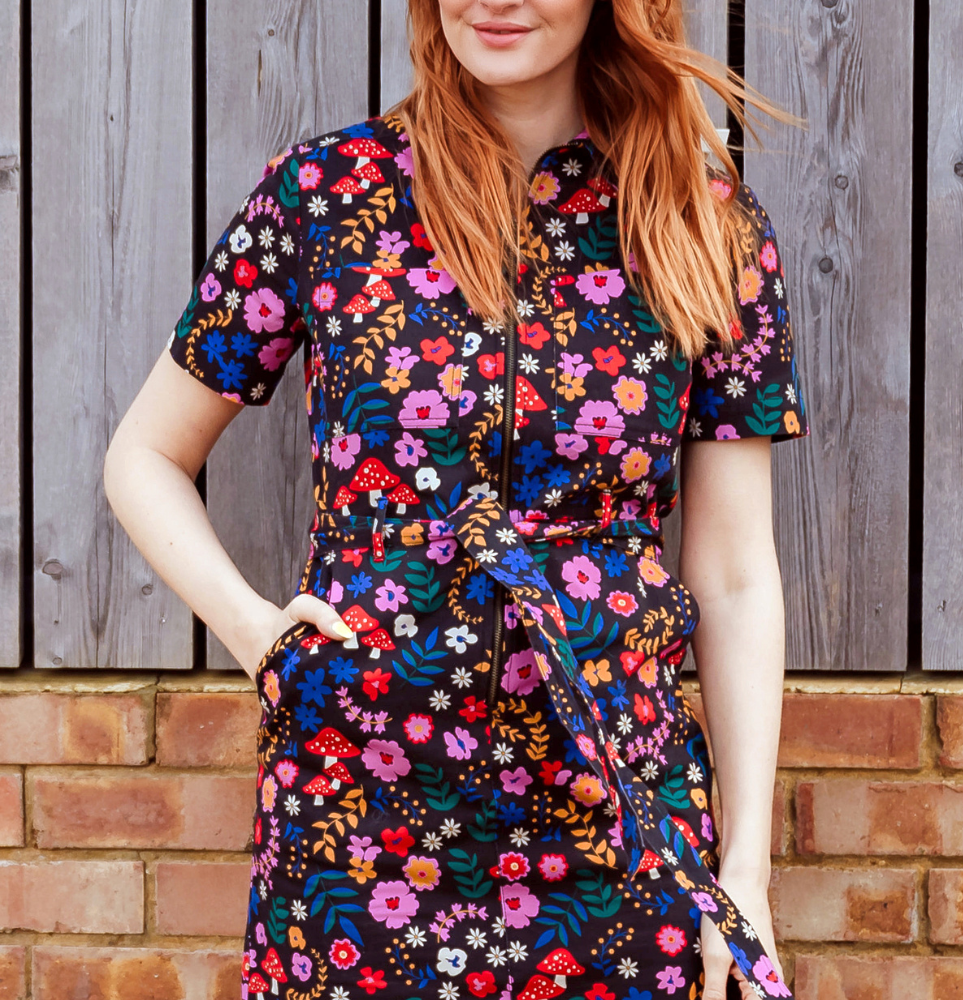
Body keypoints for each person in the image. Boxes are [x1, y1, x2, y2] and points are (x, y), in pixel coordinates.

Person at [104, 1, 809, 997]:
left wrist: (744, 872)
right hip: (360, 819)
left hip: (613, 816)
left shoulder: (704, 220)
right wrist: (257, 633)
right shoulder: (328, 194)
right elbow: (143, 455)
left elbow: (735, 574)